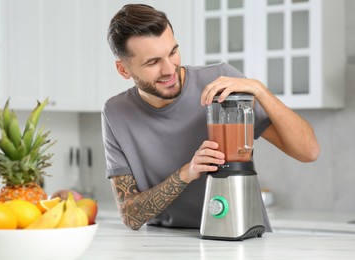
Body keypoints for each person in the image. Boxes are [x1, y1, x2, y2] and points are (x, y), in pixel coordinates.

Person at [102, 4, 319, 231]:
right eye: (153, 62)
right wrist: (187, 172)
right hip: (166, 245)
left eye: (173, 52)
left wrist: (259, 90)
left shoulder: (221, 80)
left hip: (241, 235)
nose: (169, 69)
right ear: (124, 70)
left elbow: (308, 151)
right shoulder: (116, 113)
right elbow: (130, 216)